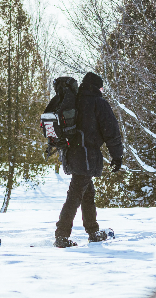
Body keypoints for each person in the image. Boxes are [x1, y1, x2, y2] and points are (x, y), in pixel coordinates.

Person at [54, 72, 123, 248]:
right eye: (101, 87)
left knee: (87, 193)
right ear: (97, 87)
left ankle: (93, 231)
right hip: (86, 155)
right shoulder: (97, 103)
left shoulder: (75, 100)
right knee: (75, 195)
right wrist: (117, 155)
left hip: (72, 153)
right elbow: (111, 130)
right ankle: (61, 235)